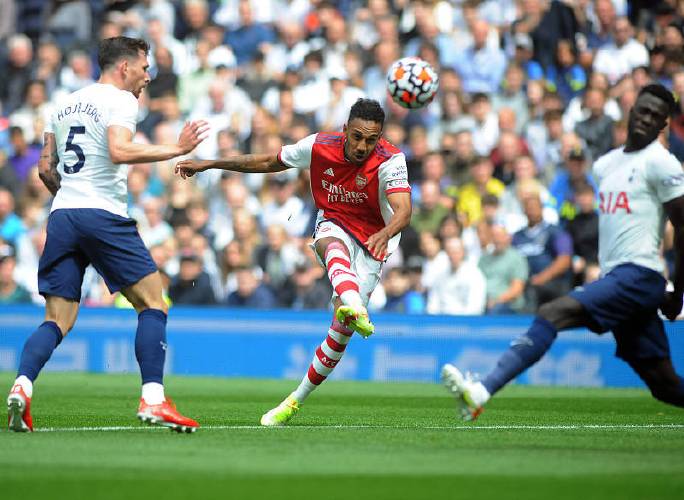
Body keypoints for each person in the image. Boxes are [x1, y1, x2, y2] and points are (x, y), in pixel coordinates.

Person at [441, 84, 684, 421]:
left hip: (639, 275)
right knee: (664, 385)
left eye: (656, 116)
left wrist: (678, 291)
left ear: (663, 126)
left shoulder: (662, 164)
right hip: (619, 277)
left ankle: (481, 390)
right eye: (643, 110)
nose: (647, 119)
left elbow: (682, 226)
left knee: (552, 313)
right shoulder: (606, 165)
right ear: (631, 112)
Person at [6, 37, 208, 433]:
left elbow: (45, 169)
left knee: (57, 319)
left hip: (63, 214)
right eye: (144, 68)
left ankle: (22, 386)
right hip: (102, 212)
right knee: (153, 302)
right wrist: (176, 149)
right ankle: (153, 399)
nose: (148, 76)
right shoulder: (121, 100)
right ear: (124, 67)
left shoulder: (61, 103)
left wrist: (71, 200)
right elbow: (119, 150)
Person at [175, 98, 412, 426]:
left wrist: (386, 232)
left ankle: (294, 399)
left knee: (340, 333)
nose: (362, 146)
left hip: (374, 240)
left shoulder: (391, 160)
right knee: (328, 243)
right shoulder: (318, 146)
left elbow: (404, 210)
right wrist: (210, 163)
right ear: (345, 129)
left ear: (380, 137)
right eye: (357, 136)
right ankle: (354, 303)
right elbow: (267, 161)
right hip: (335, 222)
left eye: (371, 140)